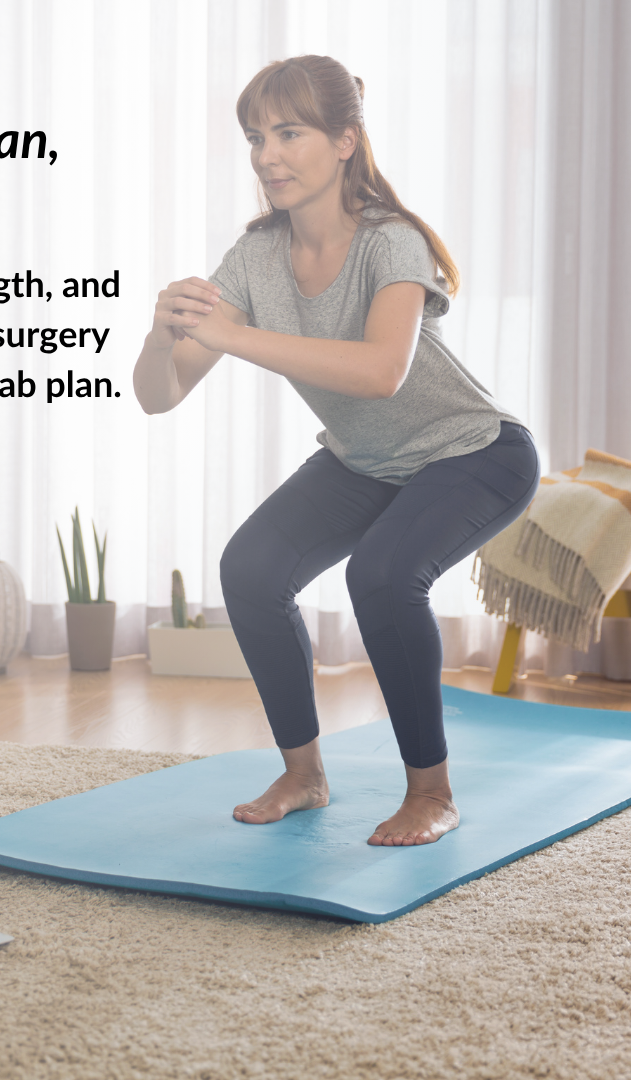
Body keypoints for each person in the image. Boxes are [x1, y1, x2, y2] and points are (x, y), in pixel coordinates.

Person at [132, 55, 540, 847]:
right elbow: (160, 393)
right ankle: (304, 773)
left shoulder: (394, 242)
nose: (266, 155)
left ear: (346, 141)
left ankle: (431, 792)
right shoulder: (255, 257)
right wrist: (160, 335)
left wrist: (236, 335)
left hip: (473, 452)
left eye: (290, 133)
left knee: (383, 576)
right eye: (256, 137)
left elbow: (381, 372)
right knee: (250, 570)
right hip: (367, 462)